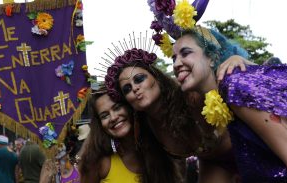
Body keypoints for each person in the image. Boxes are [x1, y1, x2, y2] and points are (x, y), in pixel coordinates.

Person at [172, 27, 287, 182]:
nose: (176, 64)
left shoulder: (235, 85)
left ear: (212, 58)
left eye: (185, 53)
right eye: (173, 58)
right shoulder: (215, 103)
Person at [104, 37, 252, 183]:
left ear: (156, 77)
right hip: (215, 165)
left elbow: (215, 75)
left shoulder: (190, 95)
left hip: (249, 151)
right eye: (127, 89)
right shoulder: (144, 131)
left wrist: (234, 59)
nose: (135, 88)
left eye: (139, 79)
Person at [78, 86, 181, 183]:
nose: (113, 117)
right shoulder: (100, 163)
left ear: (131, 107)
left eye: (117, 107)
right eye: (105, 116)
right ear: (100, 125)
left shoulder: (163, 150)